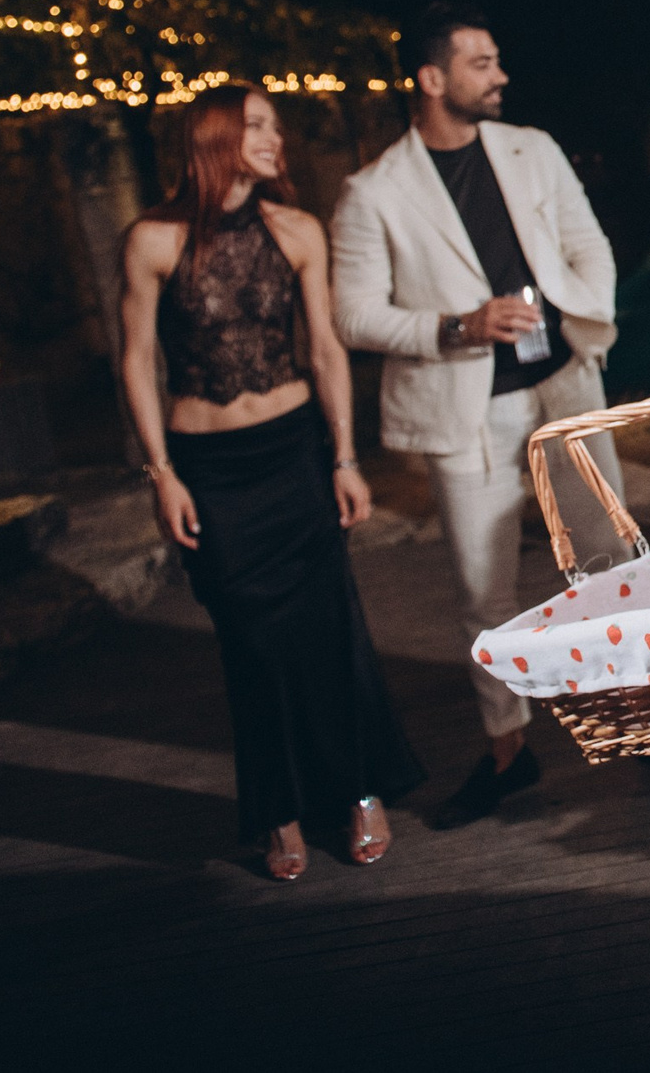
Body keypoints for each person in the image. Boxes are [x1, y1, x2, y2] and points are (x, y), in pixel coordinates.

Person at [330, 4, 650, 827]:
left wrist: (583, 319)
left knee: (612, 555)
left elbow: (592, 247)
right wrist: (457, 326)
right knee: (484, 588)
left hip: (565, 389)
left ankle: (649, 720)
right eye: (481, 62)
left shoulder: (532, 149)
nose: (499, 74)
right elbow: (354, 315)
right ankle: (509, 748)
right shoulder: (373, 192)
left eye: (497, 59)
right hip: (467, 410)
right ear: (432, 79)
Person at [120, 84, 422, 880]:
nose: (274, 137)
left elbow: (324, 349)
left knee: (332, 631)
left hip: (294, 454)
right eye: (256, 125)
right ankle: (278, 811)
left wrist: (345, 457)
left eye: (273, 126)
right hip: (211, 472)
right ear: (215, 134)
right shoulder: (152, 238)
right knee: (250, 647)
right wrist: (162, 475)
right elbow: (135, 362)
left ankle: (359, 790)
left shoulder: (297, 229)